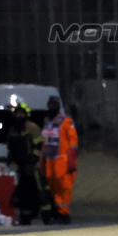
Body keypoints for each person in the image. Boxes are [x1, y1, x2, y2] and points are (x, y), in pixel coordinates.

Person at [7, 103, 52, 225]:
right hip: (21, 167)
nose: (19, 115)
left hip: (34, 167)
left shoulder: (33, 128)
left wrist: (33, 161)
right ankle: (25, 217)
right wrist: (11, 159)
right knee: (23, 193)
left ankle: (46, 216)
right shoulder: (13, 130)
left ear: (26, 114)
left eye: (22, 113)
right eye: (17, 113)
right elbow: (11, 148)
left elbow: (39, 146)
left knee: (40, 191)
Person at [40, 96, 78, 224]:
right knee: (53, 186)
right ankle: (57, 210)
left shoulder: (66, 122)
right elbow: (45, 142)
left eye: (53, 106)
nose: (51, 108)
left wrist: (72, 158)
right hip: (51, 160)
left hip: (63, 160)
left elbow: (73, 141)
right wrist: (43, 159)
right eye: (50, 106)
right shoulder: (48, 123)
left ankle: (64, 212)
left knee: (64, 186)